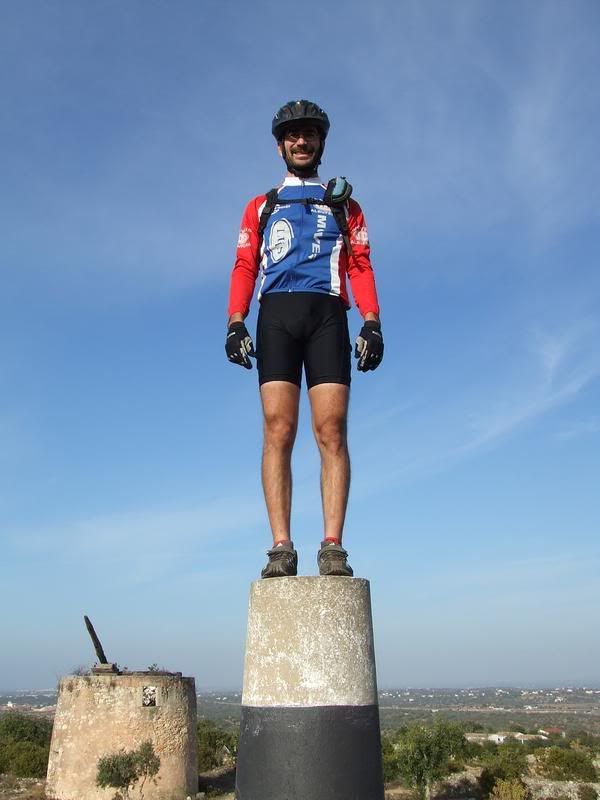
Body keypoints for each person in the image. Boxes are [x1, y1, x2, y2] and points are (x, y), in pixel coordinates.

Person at [226, 100, 383, 579]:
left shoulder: (344, 204)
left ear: (321, 143)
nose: (301, 141)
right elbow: (246, 264)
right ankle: (280, 546)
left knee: (331, 431)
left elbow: (360, 264)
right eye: (292, 135)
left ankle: (333, 545)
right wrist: (235, 320)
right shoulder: (261, 205)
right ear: (280, 146)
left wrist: (372, 321)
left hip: (328, 315)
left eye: (309, 134)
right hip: (275, 315)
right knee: (278, 429)